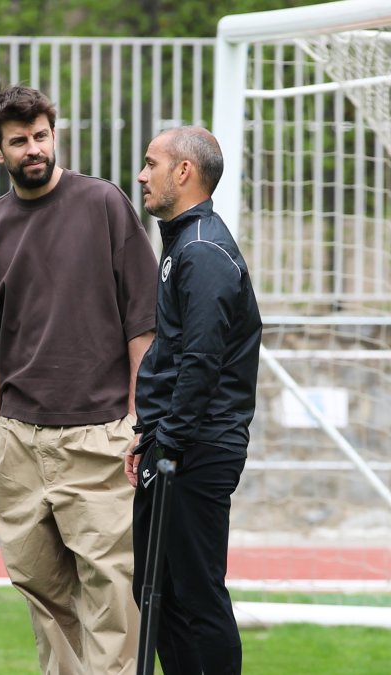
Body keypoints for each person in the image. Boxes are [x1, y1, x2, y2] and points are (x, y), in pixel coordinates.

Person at [0, 85, 158, 675]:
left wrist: (137, 420)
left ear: (54, 135)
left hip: (101, 439)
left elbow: (143, 323)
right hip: (19, 443)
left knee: (114, 594)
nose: (33, 148)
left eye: (41, 135)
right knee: (43, 596)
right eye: (19, 141)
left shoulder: (104, 203)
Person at [130, 127, 261, 675]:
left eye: (151, 163)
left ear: (183, 172)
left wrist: (169, 445)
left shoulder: (203, 250)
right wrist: (150, 436)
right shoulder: (185, 242)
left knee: (195, 593)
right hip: (175, 444)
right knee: (157, 592)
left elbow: (202, 361)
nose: (142, 175)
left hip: (195, 449)